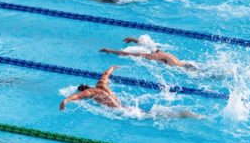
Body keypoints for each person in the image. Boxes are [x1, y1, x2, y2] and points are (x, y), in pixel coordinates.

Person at [59, 65, 200, 118]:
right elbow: (105, 74)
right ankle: (181, 113)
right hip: (124, 106)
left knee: (152, 115)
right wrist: (113, 67)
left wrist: (65, 100)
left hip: (121, 111)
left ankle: (181, 114)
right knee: (148, 113)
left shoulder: (90, 93)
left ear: (85, 90)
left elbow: (78, 96)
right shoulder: (100, 85)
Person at [100, 37, 198, 70]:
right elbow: (150, 45)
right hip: (187, 65)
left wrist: (110, 50)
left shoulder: (154, 56)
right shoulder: (160, 52)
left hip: (184, 70)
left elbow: (128, 54)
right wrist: (134, 39)